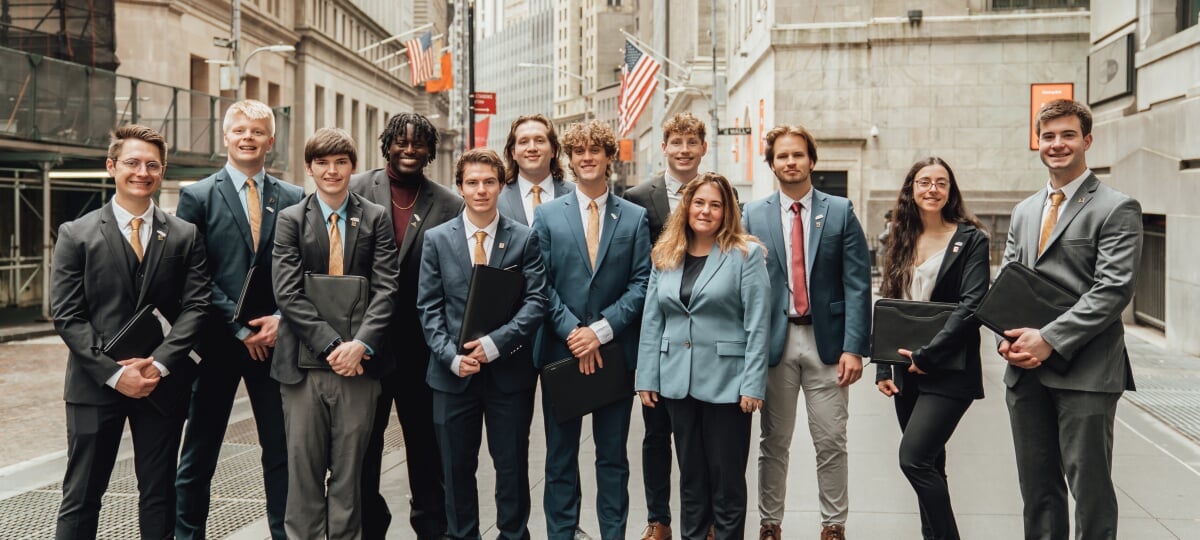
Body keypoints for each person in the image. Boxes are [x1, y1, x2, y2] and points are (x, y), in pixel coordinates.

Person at [52, 124, 211, 539]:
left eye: (152, 165)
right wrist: (116, 373)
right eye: (132, 162)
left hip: (161, 384)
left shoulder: (184, 235)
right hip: (94, 385)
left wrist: (159, 364)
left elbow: (197, 306)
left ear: (162, 171)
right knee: (83, 494)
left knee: (159, 494)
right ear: (111, 167)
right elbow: (67, 315)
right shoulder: (76, 234)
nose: (142, 171)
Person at [998, 99, 1142, 540]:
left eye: (1067, 135)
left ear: (1087, 141)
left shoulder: (1117, 207)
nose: (1057, 144)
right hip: (1025, 373)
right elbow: (1010, 281)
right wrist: (1006, 338)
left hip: (1086, 371)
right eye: (1048, 136)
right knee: (1037, 490)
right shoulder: (1024, 211)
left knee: (1090, 489)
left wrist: (1049, 339)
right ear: (1037, 143)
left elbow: (1112, 291)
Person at [174, 100, 303, 540]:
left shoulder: (292, 198)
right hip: (215, 344)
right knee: (200, 449)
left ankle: (283, 532)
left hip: (275, 342)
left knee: (281, 449)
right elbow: (192, 273)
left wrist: (283, 318)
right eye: (240, 130)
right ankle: (188, 534)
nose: (248, 137)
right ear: (225, 138)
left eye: (257, 131)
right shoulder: (197, 196)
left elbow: (302, 271)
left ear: (271, 140)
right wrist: (238, 328)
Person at [742, 125, 871, 540]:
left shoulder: (840, 210)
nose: (790, 162)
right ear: (772, 164)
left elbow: (857, 283)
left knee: (831, 440)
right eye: (782, 156)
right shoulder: (752, 214)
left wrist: (855, 346)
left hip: (827, 343)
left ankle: (833, 524)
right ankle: (770, 524)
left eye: (797, 155)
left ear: (811, 160)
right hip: (774, 345)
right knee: (773, 442)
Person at [271, 127, 401, 538]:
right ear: (310, 168)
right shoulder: (290, 220)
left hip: (359, 368)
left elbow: (387, 288)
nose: (332, 171)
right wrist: (333, 345)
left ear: (353, 167)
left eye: (340, 162)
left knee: (350, 477)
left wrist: (360, 345)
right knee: (303, 476)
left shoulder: (376, 218)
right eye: (323, 163)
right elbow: (288, 294)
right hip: (303, 369)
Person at [417, 148, 549, 540]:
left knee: (511, 468)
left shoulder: (524, 238)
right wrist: (450, 356)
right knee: (456, 470)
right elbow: (428, 307)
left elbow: (536, 301)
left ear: (501, 185)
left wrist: (496, 344)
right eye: (472, 182)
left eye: (489, 182)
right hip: (452, 376)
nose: (480, 190)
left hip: (508, 374)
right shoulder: (437, 240)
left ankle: (513, 535)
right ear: (460, 187)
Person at [532, 119, 652, 540]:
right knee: (560, 457)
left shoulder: (634, 218)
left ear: (608, 158)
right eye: (579, 152)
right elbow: (538, 283)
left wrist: (600, 331)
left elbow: (643, 283)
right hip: (561, 352)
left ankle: (613, 534)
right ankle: (561, 534)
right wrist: (574, 333)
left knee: (612, 458)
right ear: (570, 158)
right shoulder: (546, 215)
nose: (587, 159)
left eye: (595, 152)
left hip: (614, 353)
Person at [635, 173, 770, 540]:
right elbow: (652, 320)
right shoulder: (665, 254)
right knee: (691, 482)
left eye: (715, 204)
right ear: (686, 207)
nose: (706, 211)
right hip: (677, 382)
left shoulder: (746, 254)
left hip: (729, 385)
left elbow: (758, 325)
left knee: (726, 485)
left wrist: (753, 385)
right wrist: (646, 377)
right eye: (699, 203)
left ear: (727, 211)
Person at [350, 112, 460, 540]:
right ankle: (368, 526)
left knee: (426, 450)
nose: (410, 150)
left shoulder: (449, 203)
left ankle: (432, 528)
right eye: (402, 142)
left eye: (419, 144)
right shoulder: (357, 189)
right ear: (387, 144)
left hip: (422, 350)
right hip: (365, 348)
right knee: (361, 448)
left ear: (430, 150)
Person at [874, 157, 990, 540]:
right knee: (931, 465)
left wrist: (930, 355)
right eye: (924, 182)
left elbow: (972, 305)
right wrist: (884, 365)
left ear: (951, 191)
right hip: (906, 371)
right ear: (911, 189)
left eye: (941, 183)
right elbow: (891, 301)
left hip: (949, 369)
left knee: (914, 459)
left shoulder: (971, 239)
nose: (932, 189)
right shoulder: (900, 238)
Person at [623, 112, 708, 540]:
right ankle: (659, 518)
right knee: (657, 433)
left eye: (692, 143)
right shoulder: (639, 197)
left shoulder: (718, 195)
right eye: (676, 142)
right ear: (664, 146)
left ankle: (704, 520)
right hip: (656, 333)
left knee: (702, 436)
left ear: (703, 148)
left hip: (705, 336)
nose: (684, 150)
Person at [498, 114, 574, 225]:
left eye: (539, 140)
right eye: (523, 142)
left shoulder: (576, 195)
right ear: (513, 152)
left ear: (553, 150)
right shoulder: (497, 200)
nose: (532, 148)